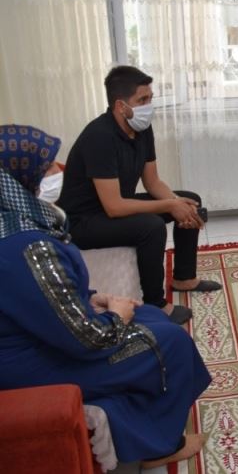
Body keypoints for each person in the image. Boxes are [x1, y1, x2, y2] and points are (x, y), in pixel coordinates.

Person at [0, 124, 211, 467]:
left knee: (151, 315)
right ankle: (160, 446)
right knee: (170, 341)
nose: (57, 172)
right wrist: (116, 315)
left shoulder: (14, 223)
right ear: (22, 176)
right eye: (48, 166)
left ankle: (141, 423)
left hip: (38, 337)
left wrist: (92, 299)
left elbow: (39, 297)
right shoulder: (28, 247)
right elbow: (89, 339)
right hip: (31, 363)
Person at [58, 66, 221, 325]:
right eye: (142, 100)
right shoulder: (99, 137)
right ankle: (157, 305)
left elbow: (152, 181)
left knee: (190, 200)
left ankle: (184, 278)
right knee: (151, 227)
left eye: (150, 98)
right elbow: (113, 207)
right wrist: (169, 205)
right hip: (84, 221)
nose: (149, 106)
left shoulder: (142, 128)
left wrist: (176, 203)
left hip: (113, 207)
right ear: (121, 106)